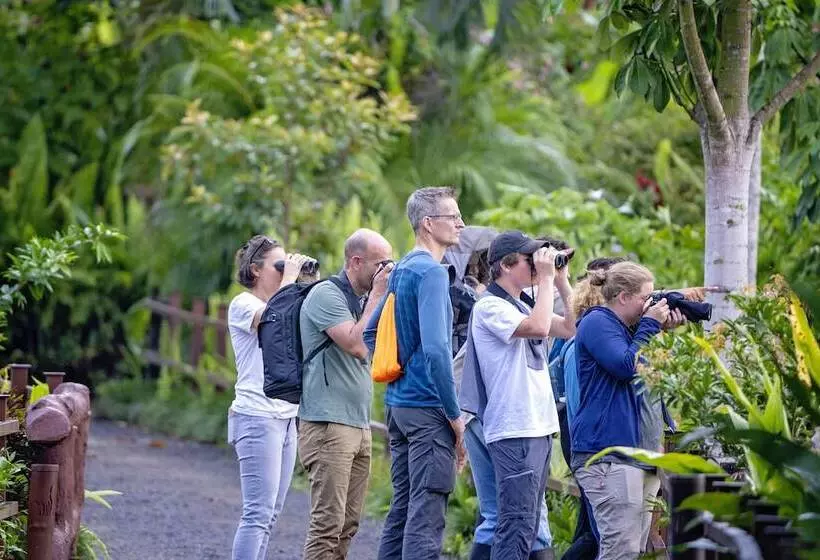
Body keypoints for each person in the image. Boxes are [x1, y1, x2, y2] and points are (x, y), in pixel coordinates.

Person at [364, 186, 466, 560]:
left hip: (399, 406)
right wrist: (455, 417)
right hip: (427, 410)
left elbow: (372, 332)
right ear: (428, 223)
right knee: (426, 514)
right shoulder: (433, 274)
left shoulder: (403, 267)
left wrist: (401, 366)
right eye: (452, 217)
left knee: (403, 507)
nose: (461, 223)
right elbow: (439, 350)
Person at [459, 232, 575, 560]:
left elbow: (571, 328)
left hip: (535, 427)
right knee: (517, 525)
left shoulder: (520, 304)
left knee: (525, 524)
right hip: (514, 430)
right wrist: (548, 279)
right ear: (508, 265)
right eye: (530, 260)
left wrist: (562, 281)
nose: (537, 267)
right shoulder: (490, 307)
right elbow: (539, 328)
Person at [569, 262, 684, 559]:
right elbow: (624, 366)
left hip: (637, 454)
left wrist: (660, 330)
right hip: (607, 455)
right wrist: (649, 325)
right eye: (646, 298)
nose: (652, 304)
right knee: (620, 550)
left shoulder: (627, 330)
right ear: (623, 297)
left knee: (633, 550)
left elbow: (649, 375)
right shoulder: (597, 321)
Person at [298, 229, 394, 560]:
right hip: (328, 424)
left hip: (357, 423)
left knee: (349, 523)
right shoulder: (326, 295)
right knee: (327, 525)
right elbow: (355, 344)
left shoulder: (363, 300)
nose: (386, 270)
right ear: (356, 261)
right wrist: (378, 296)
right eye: (381, 264)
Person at [226, 235, 313, 560]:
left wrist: (307, 284)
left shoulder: (284, 302)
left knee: (272, 514)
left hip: (287, 416)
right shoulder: (243, 305)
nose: (283, 272)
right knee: (257, 515)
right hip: (256, 416)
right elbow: (273, 321)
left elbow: (304, 321)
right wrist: (290, 281)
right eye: (278, 266)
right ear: (255, 270)